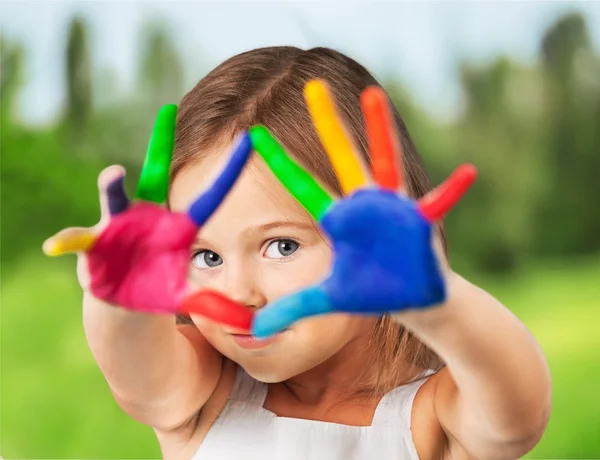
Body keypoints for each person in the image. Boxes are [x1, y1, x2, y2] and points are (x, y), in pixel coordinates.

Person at [46, 46, 551, 459]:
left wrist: (437, 302)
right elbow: (140, 377)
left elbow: (518, 417)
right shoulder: (204, 393)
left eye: (281, 246)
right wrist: (119, 300)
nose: (239, 293)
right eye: (206, 256)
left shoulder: (431, 417)